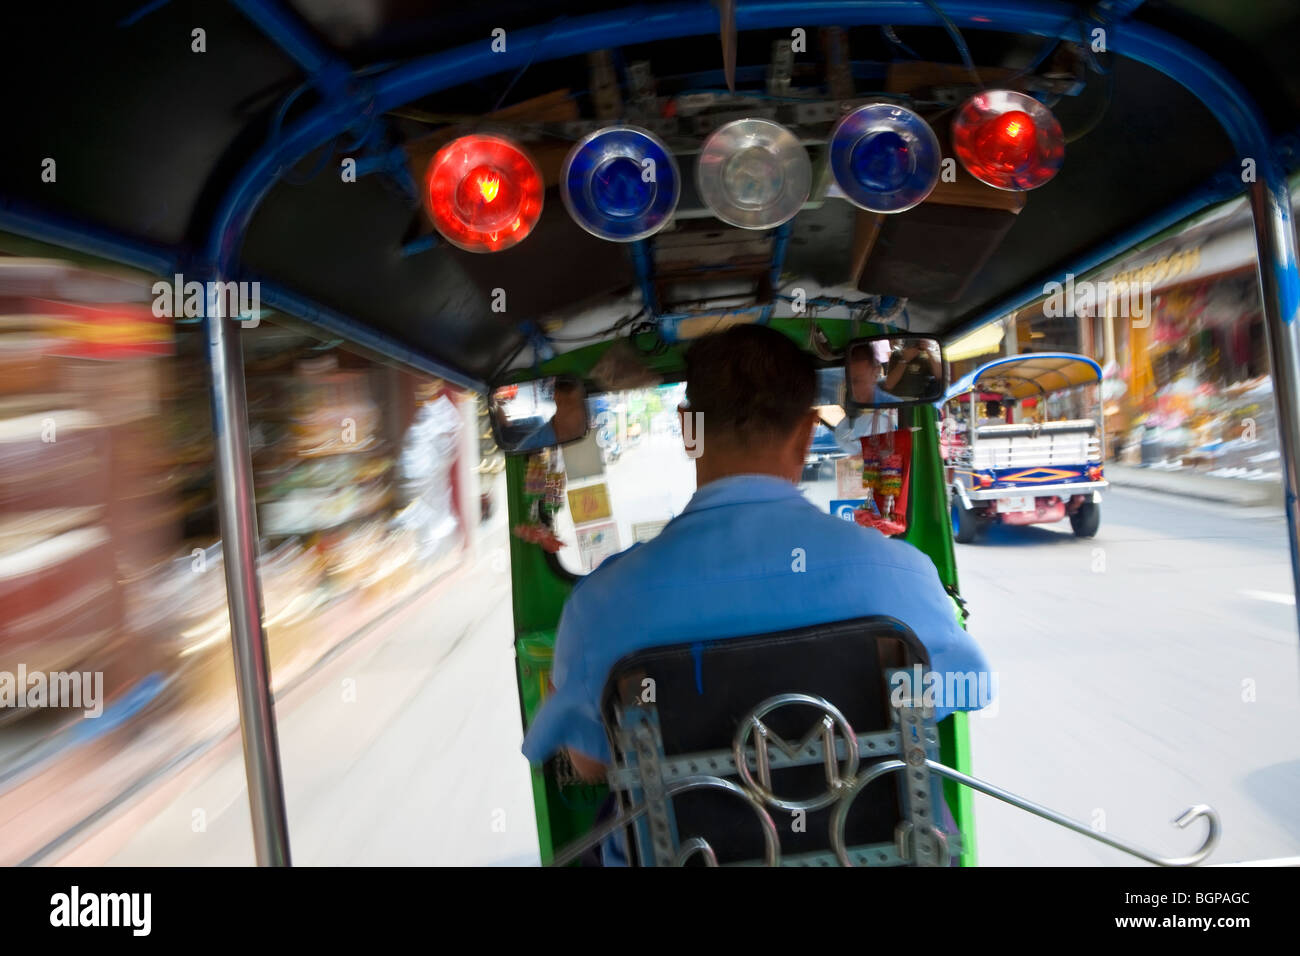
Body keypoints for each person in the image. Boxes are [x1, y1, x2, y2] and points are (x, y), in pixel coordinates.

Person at [520, 325, 992, 859]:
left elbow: (592, 763)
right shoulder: (903, 575)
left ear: (687, 430)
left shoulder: (600, 603)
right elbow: (948, 703)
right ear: (808, 430)